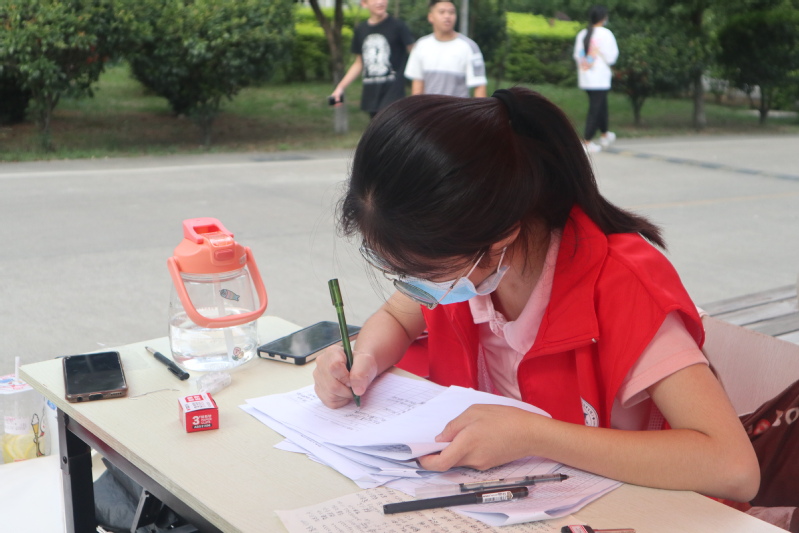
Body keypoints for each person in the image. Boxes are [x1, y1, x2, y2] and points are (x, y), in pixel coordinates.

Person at [313, 87, 760, 502]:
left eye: (425, 271)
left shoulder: (622, 285)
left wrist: (533, 435)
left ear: (500, 237)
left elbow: (733, 467)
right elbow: (397, 316)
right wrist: (364, 358)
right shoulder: (467, 264)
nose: (417, 286)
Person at [330, 0, 415, 119]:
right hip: (372, 96)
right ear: (364, 3)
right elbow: (359, 63)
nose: (380, 2)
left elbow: (415, 53)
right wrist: (340, 88)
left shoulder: (398, 26)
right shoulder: (361, 30)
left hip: (394, 95)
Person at [404, 0, 486, 98]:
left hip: (458, 107)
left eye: (451, 12)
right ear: (430, 17)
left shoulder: (469, 47)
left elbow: (479, 87)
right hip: (430, 107)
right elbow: (417, 88)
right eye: (442, 12)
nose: (447, 16)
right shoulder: (421, 46)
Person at [573, 5, 618, 153]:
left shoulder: (582, 33)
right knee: (595, 109)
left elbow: (577, 55)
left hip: (586, 77)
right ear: (604, 18)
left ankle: (605, 134)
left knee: (601, 106)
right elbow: (611, 58)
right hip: (600, 79)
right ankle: (587, 141)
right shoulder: (606, 34)